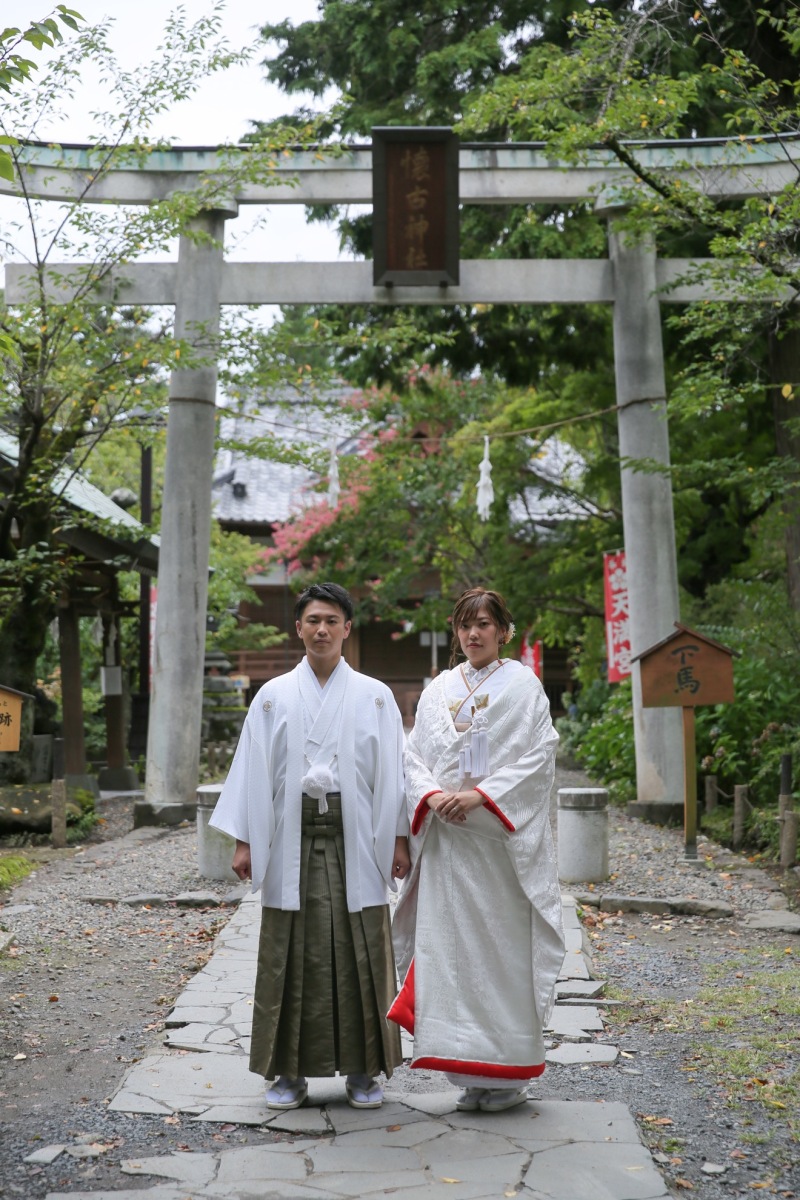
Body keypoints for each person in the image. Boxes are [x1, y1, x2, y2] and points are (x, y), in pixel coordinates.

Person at [209, 582, 410, 1112]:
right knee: (288, 955)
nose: (321, 629)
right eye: (312, 620)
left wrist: (399, 838)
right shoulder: (273, 696)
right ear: (297, 628)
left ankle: (365, 1072)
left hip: (358, 838)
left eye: (332, 620)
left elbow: (394, 774)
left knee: (361, 951)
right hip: (288, 839)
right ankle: (288, 1073)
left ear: (347, 628)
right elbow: (251, 773)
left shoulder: (374, 695)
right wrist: (245, 840)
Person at [389, 587, 565, 1113]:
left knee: (498, 954)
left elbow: (540, 755)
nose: (474, 633)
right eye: (466, 624)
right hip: (446, 843)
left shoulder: (524, 685)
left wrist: (480, 796)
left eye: (485, 624)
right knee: (449, 954)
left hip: (496, 847)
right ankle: (464, 1072)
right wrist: (433, 795)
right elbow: (412, 756)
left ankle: (507, 1075)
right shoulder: (438, 688)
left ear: (504, 631)